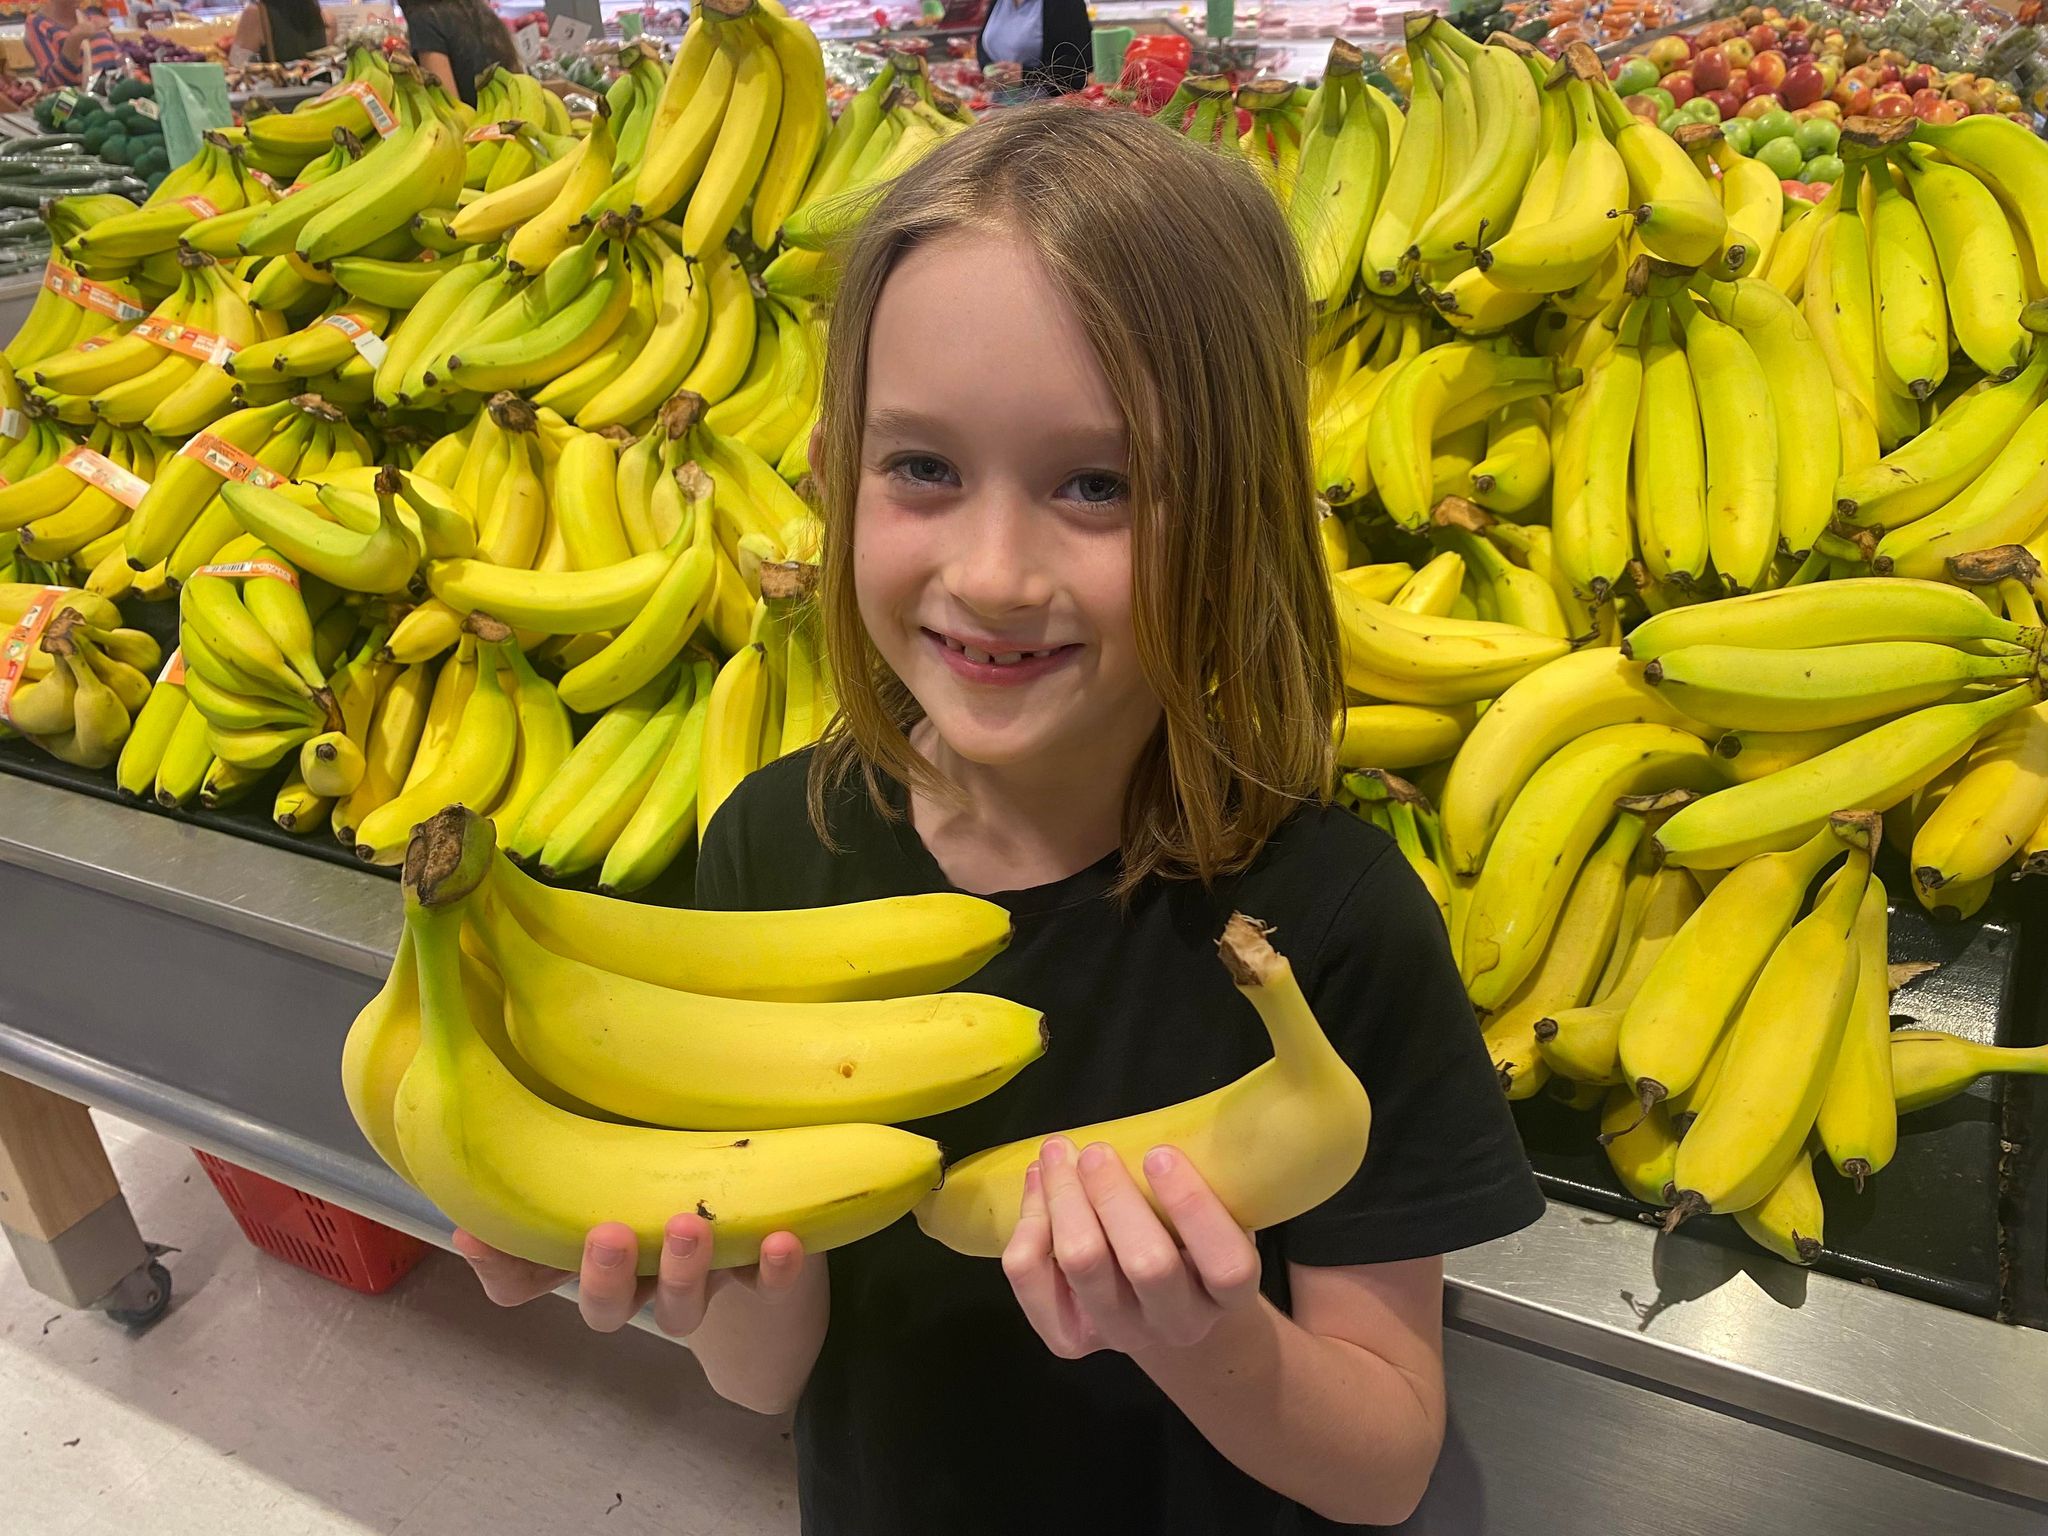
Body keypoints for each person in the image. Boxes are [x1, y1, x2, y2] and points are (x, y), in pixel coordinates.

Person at [455, 105, 1544, 1534]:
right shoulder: (772, 852)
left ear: (1235, 511)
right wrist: (707, 1288)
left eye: (1098, 484)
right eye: (923, 469)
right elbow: (767, 1385)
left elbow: (1388, 1454)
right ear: (841, 473)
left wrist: (1203, 1335)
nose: (994, 571)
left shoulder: (1331, 923)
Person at [397, 0, 518, 107]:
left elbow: (447, 104)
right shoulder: (470, 7)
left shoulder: (424, 20)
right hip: (511, 117)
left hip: (478, 127)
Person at [977, 0, 1089, 96]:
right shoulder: (999, 2)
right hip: (997, 104)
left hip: (1047, 107)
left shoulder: (1065, 4)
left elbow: (1079, 65)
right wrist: (988, 69)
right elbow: (983, 43)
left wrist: (1027, 75)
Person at [24, 0, 119, 88]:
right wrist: (75, 38)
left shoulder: (93, 17)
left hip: (116, 98)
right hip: (81, 104)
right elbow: (55, 84)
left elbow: (121, 63)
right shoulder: (37, 24)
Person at [228, 0, 331, 65]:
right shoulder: (324, 15)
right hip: (325, 96)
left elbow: (236, 66)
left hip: (280, 97)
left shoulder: (256, 13)